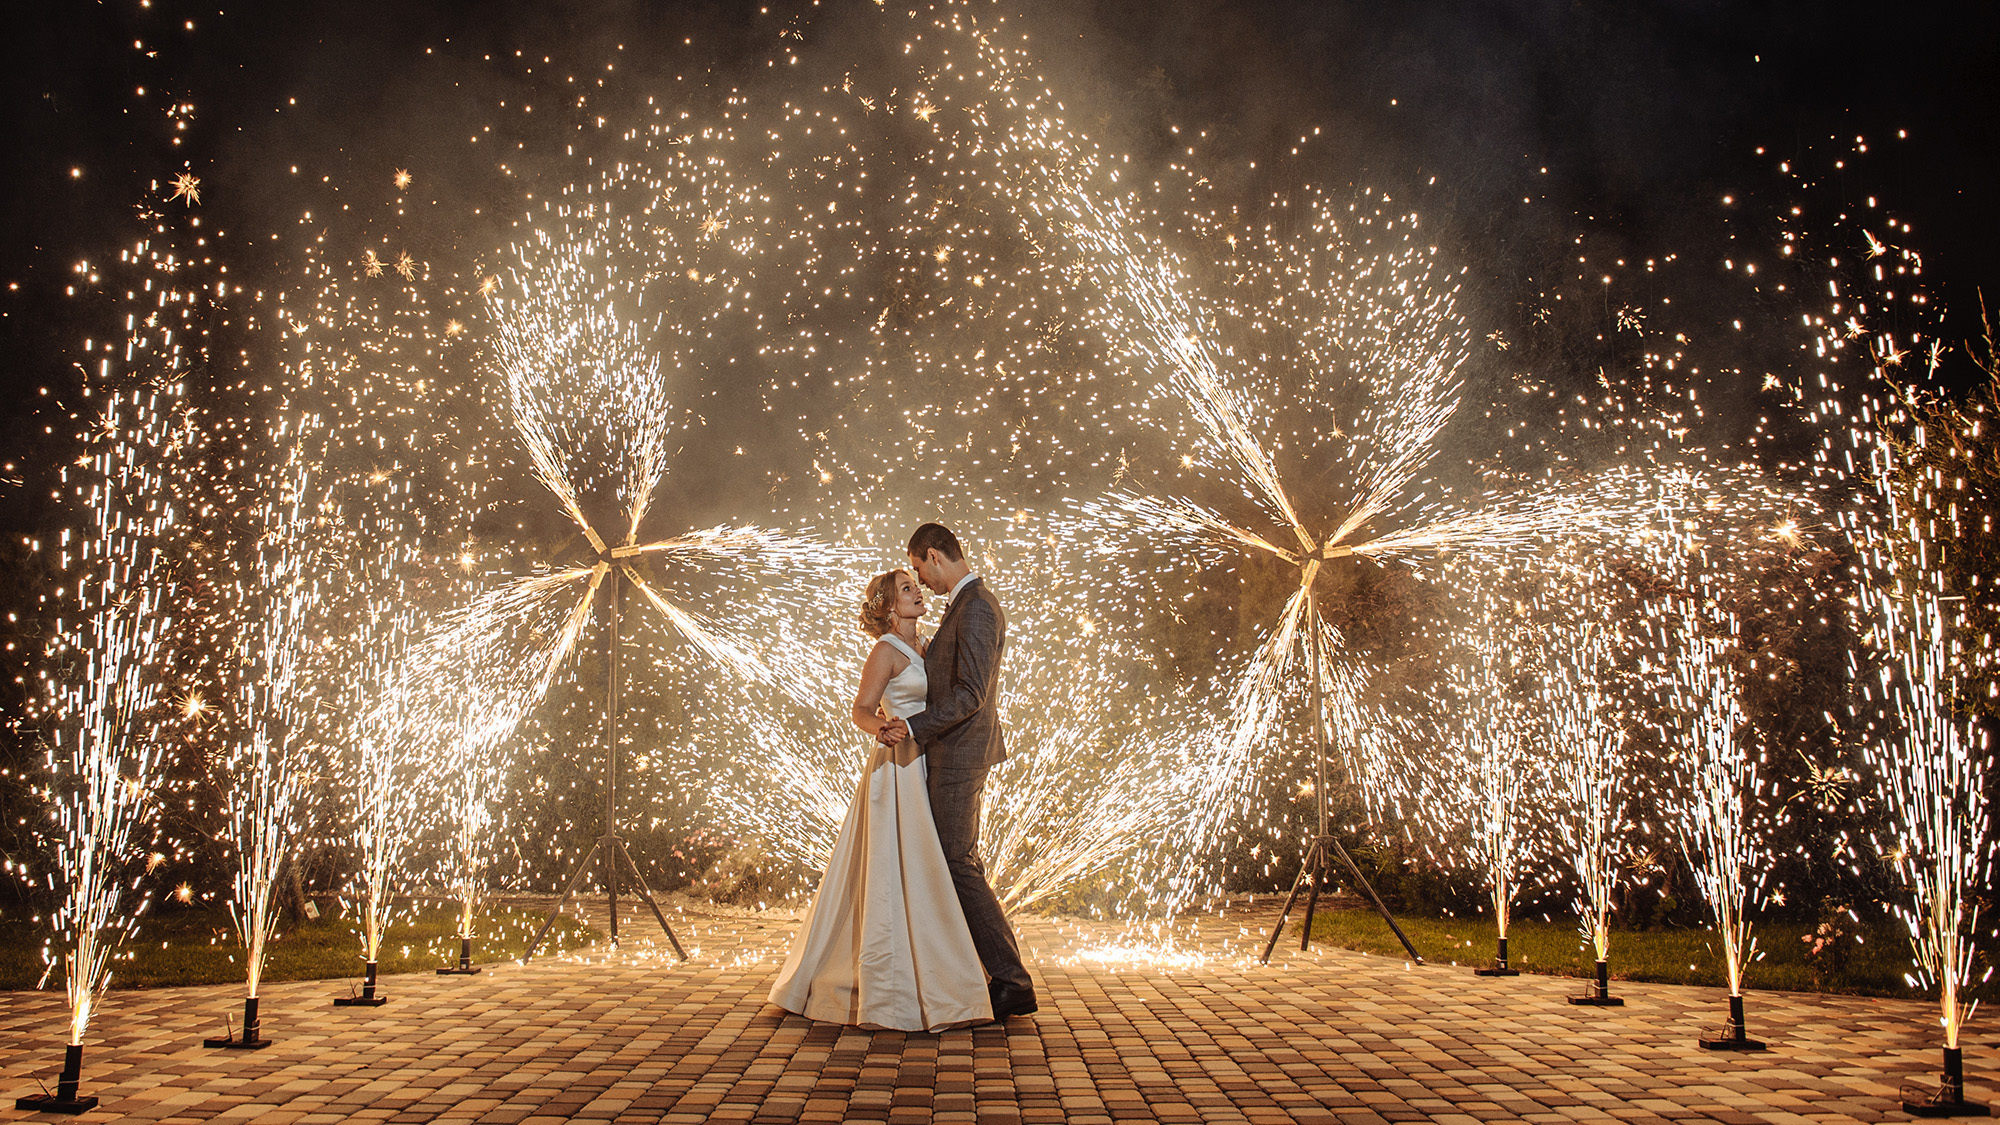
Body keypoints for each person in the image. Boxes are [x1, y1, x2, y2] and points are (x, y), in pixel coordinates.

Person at [767, 568, 991, 1031]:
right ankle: (886, 984)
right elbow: (860, 709)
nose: (918, 591)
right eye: (907, 589)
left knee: (926, 866)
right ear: (890, 607)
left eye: (915, 584)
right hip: (897, 767)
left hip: (928, 759)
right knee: (895, 865)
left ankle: (930, 968)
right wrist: (882, 729)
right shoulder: (886, 650)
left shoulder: (925, 647)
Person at [877, 522, 1038, 1021]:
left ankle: (1011, 981)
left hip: (959, 753)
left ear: (933, 555)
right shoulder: (967, 607)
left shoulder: (978, 608)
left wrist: (914, 728)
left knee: (956, 861)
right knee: (957, 861)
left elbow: (971, 695)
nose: (921, 582)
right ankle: (985, 974)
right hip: (951, 751)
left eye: (920, 570)